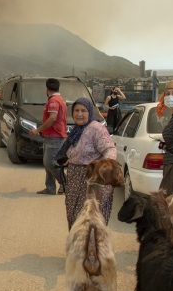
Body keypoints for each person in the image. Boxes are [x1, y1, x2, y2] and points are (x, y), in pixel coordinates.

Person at [55, 98, 117, 229]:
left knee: (89, 220)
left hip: (92, 179)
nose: (79, 114)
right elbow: (74, 151)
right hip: (74, 179)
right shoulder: (77, 130)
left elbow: (110, 149)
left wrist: (102, 168)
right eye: (76, 110)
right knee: (74, 216)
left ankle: (90, 243)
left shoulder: (96, 128)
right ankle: (77, 242)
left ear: (90, 112)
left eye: (83, 111)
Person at [29, 78, 68, 195]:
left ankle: (66, 183)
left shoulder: (53, 101)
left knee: (50, 163)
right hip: (52, 136)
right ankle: (50, 188)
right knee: (48, 163)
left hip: (55, 136)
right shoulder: (60, 99)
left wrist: (37, 130)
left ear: (47, 89)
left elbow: (52, 118)